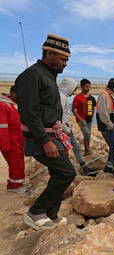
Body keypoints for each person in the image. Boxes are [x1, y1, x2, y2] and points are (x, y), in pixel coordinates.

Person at [15, 33, 76, 230]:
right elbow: (28, 112)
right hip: (41, 137)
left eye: (67, 59)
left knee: (58, 173)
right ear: (48, 53)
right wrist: (45, 141)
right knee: (67, 173)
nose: (65, 63)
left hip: (52, 135)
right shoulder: (32, 75)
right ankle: (36, 212)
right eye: (62, 58)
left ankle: (51, 214)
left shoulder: (48, 76)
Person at [59, 78, 99, 176]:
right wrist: (78, 120)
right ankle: (64, 170)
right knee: (65, 149)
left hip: (68, 127)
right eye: (74, 89)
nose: (74, 92)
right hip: (62, 128)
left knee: (76, 146)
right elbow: (59, 115)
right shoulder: (62, 98)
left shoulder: (90, 98)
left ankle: (84, 166)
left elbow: (93, 108)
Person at [0, 86, 29, 193]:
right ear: (13, 93)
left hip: (16, 139)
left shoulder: (11, 104)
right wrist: (5, 145)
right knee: (15, 163)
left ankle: (18, 182)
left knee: (18, 162)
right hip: (11, 141)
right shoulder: (3, 105)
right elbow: (2, 126)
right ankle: (14, 186)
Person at [96, 78, 114, 174]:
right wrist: (109, 124)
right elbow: (103, 113)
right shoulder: (104, 96)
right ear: (112, 87)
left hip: (113, 126)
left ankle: (108, 166)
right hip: (108, 127)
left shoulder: (113, 96)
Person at [72, 78, 96, 155]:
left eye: (89, 87)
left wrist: (92, 117)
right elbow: (73, 110)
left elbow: (93, 107)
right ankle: (86, 150)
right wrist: (80, 119)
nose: (88, 88)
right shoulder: (77, 97)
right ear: (82, 87)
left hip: (89, 119)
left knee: (88, 134)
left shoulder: (91, 98)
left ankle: (87, 149)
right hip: (81, 119)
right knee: (86, 133)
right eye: (86, 87)